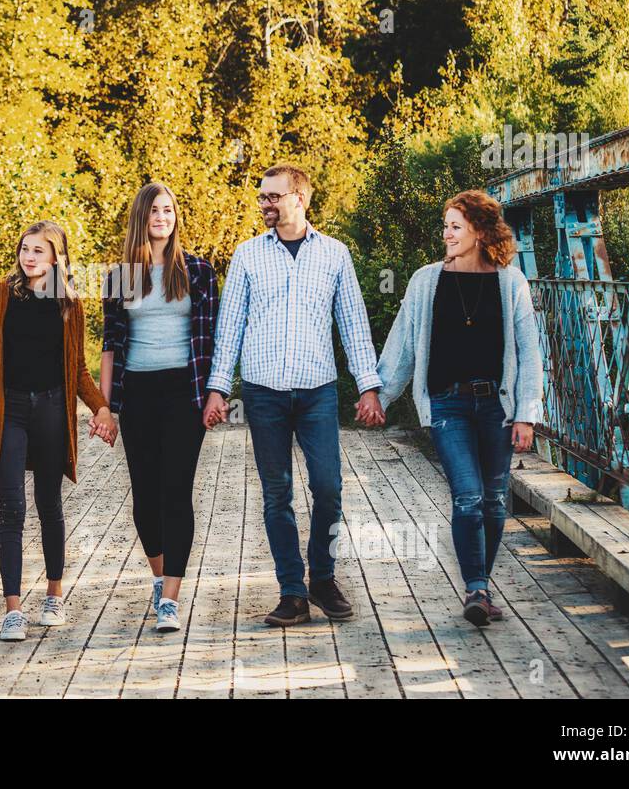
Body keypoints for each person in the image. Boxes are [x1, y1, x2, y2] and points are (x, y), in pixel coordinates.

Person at [204, 161, 382, 626]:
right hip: (263, 392)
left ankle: (322, 578)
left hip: (318, 390)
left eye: (273, 196)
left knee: (328, 487)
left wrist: (369, 387)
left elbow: (353, 324)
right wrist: (219, 390)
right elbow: (230, 327)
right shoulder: (247, 255)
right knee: (276, 492)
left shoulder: (334, 254)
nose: (264, 203)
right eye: (262, 196)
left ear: (299, 198)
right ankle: (292, 591)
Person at [368, 189, 542, 627]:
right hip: (447, 403)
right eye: (445, 225)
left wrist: (526, 414)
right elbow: (403, 343)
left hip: (497, 406)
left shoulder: (510, 282)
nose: (446, 234)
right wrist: (379, 394)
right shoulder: (426, 280)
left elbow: (529, 352)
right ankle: (477, 588)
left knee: (495, 501)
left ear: (480, 232)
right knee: (467, 496)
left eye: (455, 226)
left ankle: (480, 583)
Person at [0, 221, 117, 642]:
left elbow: (77, 370)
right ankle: (12, 609)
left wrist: (102, 408)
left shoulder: (68, 304)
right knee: (11, 508)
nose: (29, 257)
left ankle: (54, 596)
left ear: (56, 257)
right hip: (8, 412)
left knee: (50, 503)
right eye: (24, 249)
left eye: (38, 250)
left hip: (53, 408)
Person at [101, 183, 218, 633]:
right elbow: (110, 345)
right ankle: (158, 575)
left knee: (176, 493)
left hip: (183, 393)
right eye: (154, 210)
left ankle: (170, 597)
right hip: (139, 394)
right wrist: (106, 408)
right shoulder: (121, 276)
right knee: (144, 500)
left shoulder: (198, 272)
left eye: (168, 209)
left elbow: (214, 338)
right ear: (140, 217)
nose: (162, 217)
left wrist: (215, 393)